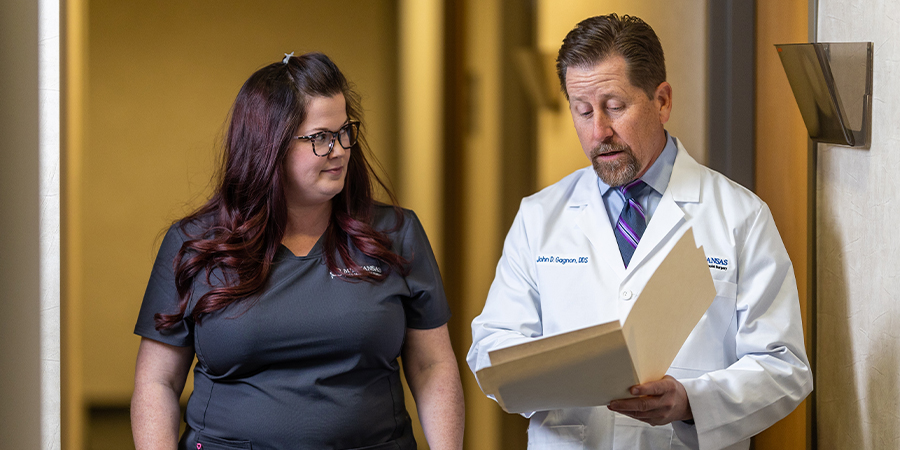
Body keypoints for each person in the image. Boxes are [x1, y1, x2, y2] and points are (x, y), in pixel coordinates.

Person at [467, 14, 812, 450]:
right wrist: (546, 372)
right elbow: (491, 347)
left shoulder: (739, 215)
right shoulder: (539, 217)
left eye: (614, 107)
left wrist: (690, 401)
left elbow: (784, 367)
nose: (598, 133)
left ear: (662, 101)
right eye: (583, 110)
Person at [131, 52, 464, 450]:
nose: (340, 150)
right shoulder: (196, 243)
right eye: (320, 137)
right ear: (268, 147)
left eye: (345, 132)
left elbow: (432, 366)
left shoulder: (395, 233)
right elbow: (157, 382)